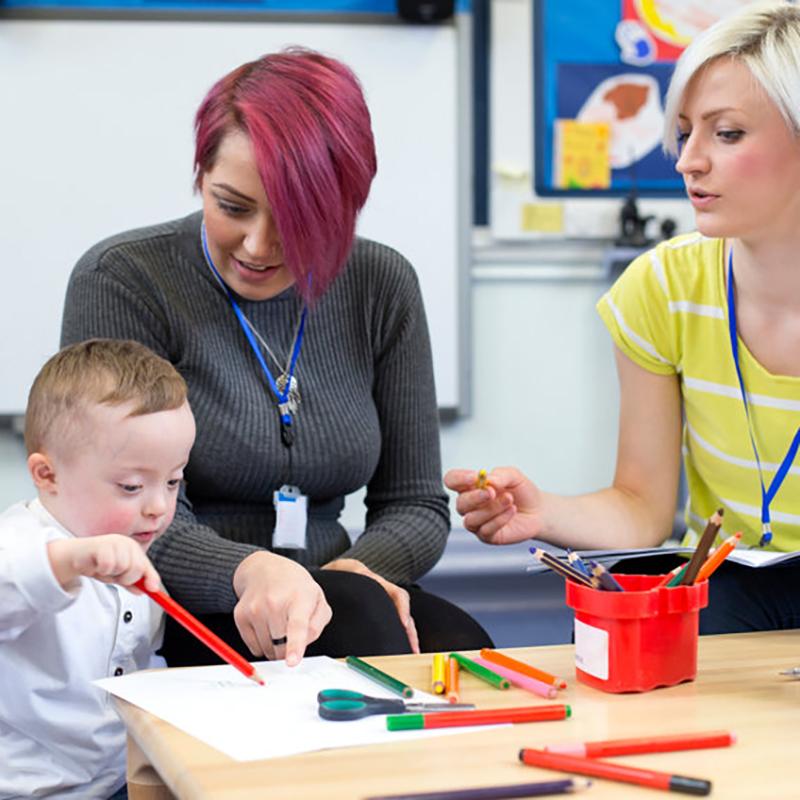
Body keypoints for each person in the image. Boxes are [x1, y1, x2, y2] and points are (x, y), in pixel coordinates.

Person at [61, 48, 492, 667]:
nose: (258, 246)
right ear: (200, 176)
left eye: (296, 219)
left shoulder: (382, 283)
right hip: (180, 597)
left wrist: (353, 572)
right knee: (367, 634)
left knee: (464, 650)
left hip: (334, 586)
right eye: (231, 206)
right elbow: (121, 512)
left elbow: (415, 505)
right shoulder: (124, 280)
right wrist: (253, 570)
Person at [446, 1, 800, 634]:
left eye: (727, 133)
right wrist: (541, 510)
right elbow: (643, 509)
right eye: (687, 130)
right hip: (731, 583)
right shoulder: (661, 288)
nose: (688, 159)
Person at [0, 338, 196, 799]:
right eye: (131, 486)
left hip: (117, 780)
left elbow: (137, 663)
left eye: (172, 481)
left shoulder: (130, 545)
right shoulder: (21, 541)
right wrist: (74, 561)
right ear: (47, 475)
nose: (158, 507)